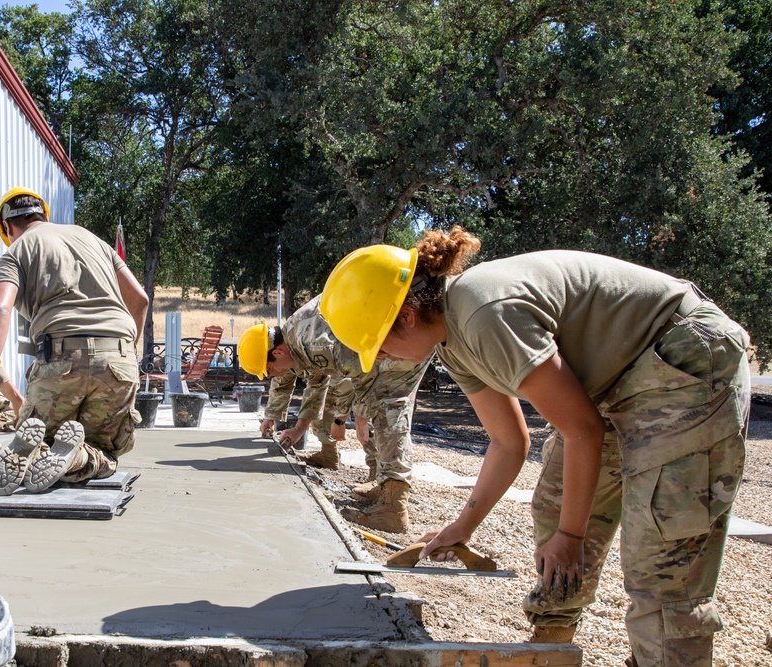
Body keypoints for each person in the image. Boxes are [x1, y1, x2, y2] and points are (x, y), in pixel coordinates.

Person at [319, 227, 750, 667]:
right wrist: (462, 528)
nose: (384, 359)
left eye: (380, 346)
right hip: (619, 381)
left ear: (407, 315)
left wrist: (573, 534)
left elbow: (582, 429)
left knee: (660, 558)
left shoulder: (485, 313)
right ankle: (553, 646)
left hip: (683, 358)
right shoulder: (451, 343)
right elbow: (509, 442)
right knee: (555, 505)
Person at [0, 187, 149, 496]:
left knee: (43, 438)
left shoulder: (17, 251)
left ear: (7, 227)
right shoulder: (94, 240)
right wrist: (128, 352)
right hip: (119, 358)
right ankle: (77, 457)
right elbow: (140, 298)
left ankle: (39, 451)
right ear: (43, 214)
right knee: (103, 450)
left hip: (60, 359)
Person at [238, 294, 431, 532]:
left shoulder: (313, 341)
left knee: (388, 409)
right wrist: (299, 428)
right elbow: (317, 381)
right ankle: (386, 487)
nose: (274, 374)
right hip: (397, 332)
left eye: (269, 370)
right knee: (386, 408)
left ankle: (393, 509)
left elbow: (364, 375)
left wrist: (356, 419)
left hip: (403, 334)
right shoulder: (296, 338)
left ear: (276, 353)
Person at [261, 373, 373, 473]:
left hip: (365, 377)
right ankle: (328, 454)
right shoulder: (282, 354)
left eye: (270, 369)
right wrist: (270, 416)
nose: (271, 373)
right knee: (322, 401)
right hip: (336, 376)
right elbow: (282, 381)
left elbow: (343, 387)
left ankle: (381, 473)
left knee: (369, 423)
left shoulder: (317, 354)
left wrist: (340, 421)